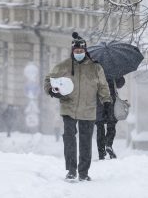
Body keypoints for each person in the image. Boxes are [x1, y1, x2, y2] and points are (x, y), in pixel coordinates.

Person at [44, 32, 112, 181]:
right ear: (72, 51)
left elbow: (103, 86)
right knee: (69, 139)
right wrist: (52, 90)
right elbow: (48, 80)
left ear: (85, 51)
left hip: (88, 110)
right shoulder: (64, 66)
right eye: (76, 51)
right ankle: (71, 170)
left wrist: (106, 101)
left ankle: (83, 172)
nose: (79, 53)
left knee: (85, 141)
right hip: (68, 107)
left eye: (81, 51)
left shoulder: (96, 67)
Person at [95, 77, 125, 160]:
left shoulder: (95, 67)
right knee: (111, 125)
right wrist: (119, 76)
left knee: (100, 127)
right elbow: (120, 84)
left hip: (98, 101)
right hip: (111, 101)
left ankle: (101, 152)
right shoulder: (113, 69)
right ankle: (108, 144)